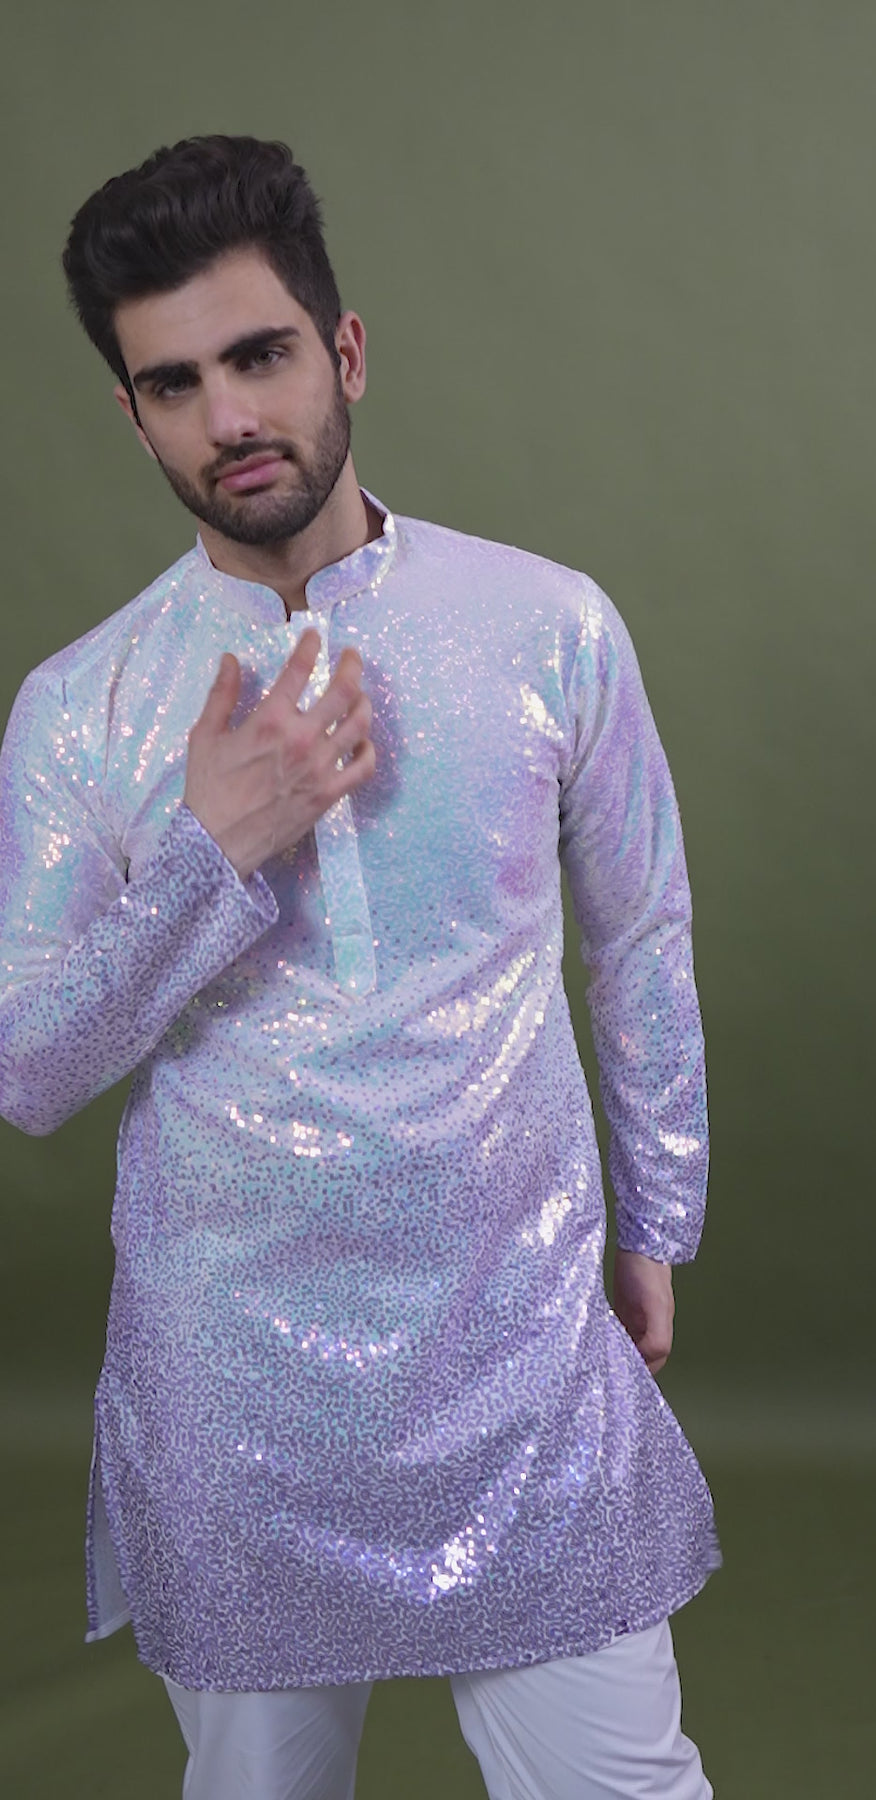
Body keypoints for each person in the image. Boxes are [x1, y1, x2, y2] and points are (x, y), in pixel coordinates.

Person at [0, 135, 719, 1800]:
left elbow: (639, 936)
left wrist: (653, 1218)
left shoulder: (546, 625)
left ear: (344, 353)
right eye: (173, 384)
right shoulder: (86, 706)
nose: (227, 416)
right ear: (132, 416)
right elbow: (26, 1064)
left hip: (518, 1344)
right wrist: (214, 852)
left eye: (259, 357)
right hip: (233, 1389)